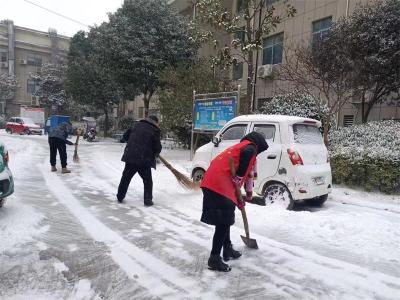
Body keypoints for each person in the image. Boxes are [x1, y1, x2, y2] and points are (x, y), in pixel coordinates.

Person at [200, 131, 268, 272]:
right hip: (218, 185)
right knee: (223, 222)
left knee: (226, 219)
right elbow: (243, 167)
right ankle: (214, 258)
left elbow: (249, 177)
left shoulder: (240, 148)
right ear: (259, 145)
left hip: (215, 182)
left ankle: (227, 249)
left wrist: (245, 196)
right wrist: (238, 176)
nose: (258, 153)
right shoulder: (250, 148)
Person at [117, 115, 162, 206]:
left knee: (126, 177)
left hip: (131, 156)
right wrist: (156, 153)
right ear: (155, 122)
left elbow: (125, 136)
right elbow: (157, 146)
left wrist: (128, 140)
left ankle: (120, 196)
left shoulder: (135, 125)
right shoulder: (155, 130)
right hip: (144, 159)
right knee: (147, 180)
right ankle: (148, 200)